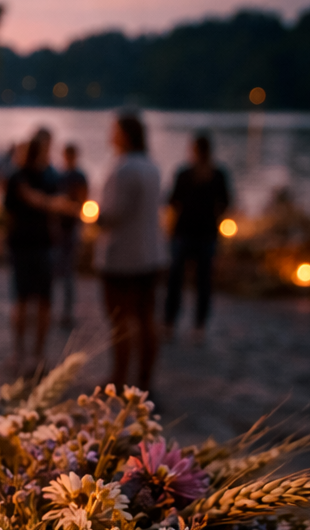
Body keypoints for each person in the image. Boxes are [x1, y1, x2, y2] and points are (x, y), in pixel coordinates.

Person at [95, 114, 166, 393]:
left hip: (122, 257)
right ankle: (146, 378)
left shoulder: (123, 169)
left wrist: (93, 215)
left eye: (113, 130)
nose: (109, 135)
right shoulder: (152, 167)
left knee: (120, 319)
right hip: (151, 254)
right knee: (148, 319)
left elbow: (112, 214)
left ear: (125, 134)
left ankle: (119, 376)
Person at [3, 128, 75, 374]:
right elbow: (52, 206)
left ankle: (27, 354)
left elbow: (10, 211)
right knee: (30, 302)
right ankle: (28, 354)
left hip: (33, 245)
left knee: (32, 302)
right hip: (32, 245)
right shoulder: (33, 177)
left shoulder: (24, 176)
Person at [164, 133, 231, 343]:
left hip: (194, 234)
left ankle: (176, 324)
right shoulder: (200, 174)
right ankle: (189, 325)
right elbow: (225, 203)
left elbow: (172, 202)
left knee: (190, 281)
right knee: (192, 282)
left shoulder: (206, 174)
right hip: (196, 234)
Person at [55, 143, 88, 328]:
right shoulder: (66, 175)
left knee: (66, 272)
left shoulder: (75, 176)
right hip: (62, 227)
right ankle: (61, 310)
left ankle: (66, 311)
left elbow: (83, 200)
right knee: (63, 271)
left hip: (69, 228)